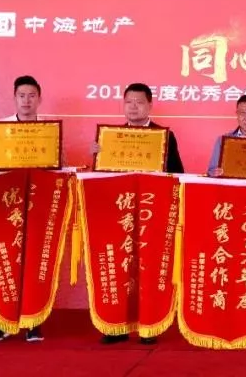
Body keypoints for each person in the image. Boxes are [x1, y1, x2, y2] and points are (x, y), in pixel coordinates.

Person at [96, 83, 184, 345]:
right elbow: (101, 179)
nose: (133, 107)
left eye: (139, 102)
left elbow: (177, 174)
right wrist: (96, 158)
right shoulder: (110, 137)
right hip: (120, 214)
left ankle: (149, 326)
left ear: (150, 105)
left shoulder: (164, 136)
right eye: (129, 102)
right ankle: (117, 326)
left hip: (151, 213)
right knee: (120, 267)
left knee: (150, 268)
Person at [0, 75, 47, 342]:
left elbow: (56, 169)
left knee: (36, 264)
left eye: (32, 96)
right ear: (14, 98)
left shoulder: (49, 129)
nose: (27, 101)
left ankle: (34, 321)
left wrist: (60, 160)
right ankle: (3, 321)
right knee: (6, 263)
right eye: (22, 96)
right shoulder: (2, 128)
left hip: (38, 206)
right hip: (8, 207)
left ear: (39, 99)